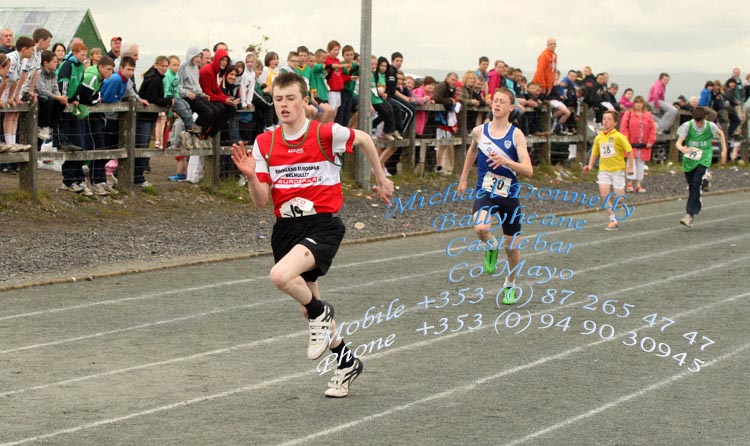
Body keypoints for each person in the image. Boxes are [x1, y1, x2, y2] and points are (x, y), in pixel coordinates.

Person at [230, 72, 394, 397]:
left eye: (291, 98)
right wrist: (251, 177)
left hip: (322, 225)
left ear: (306, 101)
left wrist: (381, 176)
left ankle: (322, 313)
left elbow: (363, 137)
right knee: (308, 306)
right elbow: (262, 200)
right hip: (286, 230)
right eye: (278, 99)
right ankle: (346, 362)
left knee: (280, 277)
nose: (284, 105)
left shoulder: (325, 133)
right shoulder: (266, 142)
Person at [457, 88, 533, 305]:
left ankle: (510, 283)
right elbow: (472, 151)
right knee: (480, 228)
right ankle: (491, 245)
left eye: (502, 102)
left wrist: (507, 162)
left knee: (512, 247)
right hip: (485, 191)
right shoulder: (479, 131)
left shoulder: (516, 134)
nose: (497, 104)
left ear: (511, 107)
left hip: (509, 195)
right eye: (495, 100)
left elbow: (528, 170)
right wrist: (463, 179)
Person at [675, 107, 727, 227]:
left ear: (706, 117)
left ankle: (689, 214)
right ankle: (706, 180)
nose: (699, 124)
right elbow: (678, 142)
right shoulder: (687, 126)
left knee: (696, 183)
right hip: (690, 157)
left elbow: (721, 134)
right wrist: (682, 148)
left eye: (701, 121)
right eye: (697, 122)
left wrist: (724, 150)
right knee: (691, 184)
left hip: (704, 156)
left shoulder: (710, 126)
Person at [583, 110, 635, 230]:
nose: (605, 121)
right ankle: (612, 220)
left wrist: (630, 167)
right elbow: (594, 153)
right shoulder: (599, 137)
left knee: (619, 198)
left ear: (615, 122)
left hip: (618, 170)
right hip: (604, 171)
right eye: (604, 119)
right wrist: (589, 166)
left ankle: (621, 197)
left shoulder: (619, 137)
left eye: (609, 119)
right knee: (604, 195)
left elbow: (630, 151)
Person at [620, 96, 656, 193]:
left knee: (641, 164)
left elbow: (653, 129)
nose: (638, 104)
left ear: (643, 104)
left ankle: (639, 184)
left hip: (644, 145)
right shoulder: (628, 114)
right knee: (631, 164)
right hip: (631, 144)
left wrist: (650, 141)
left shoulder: (648, 115)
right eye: (636, 102)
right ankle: (630, 183)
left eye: (640, 102)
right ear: (634, 104)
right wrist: (626, 140)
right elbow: (623, 127)